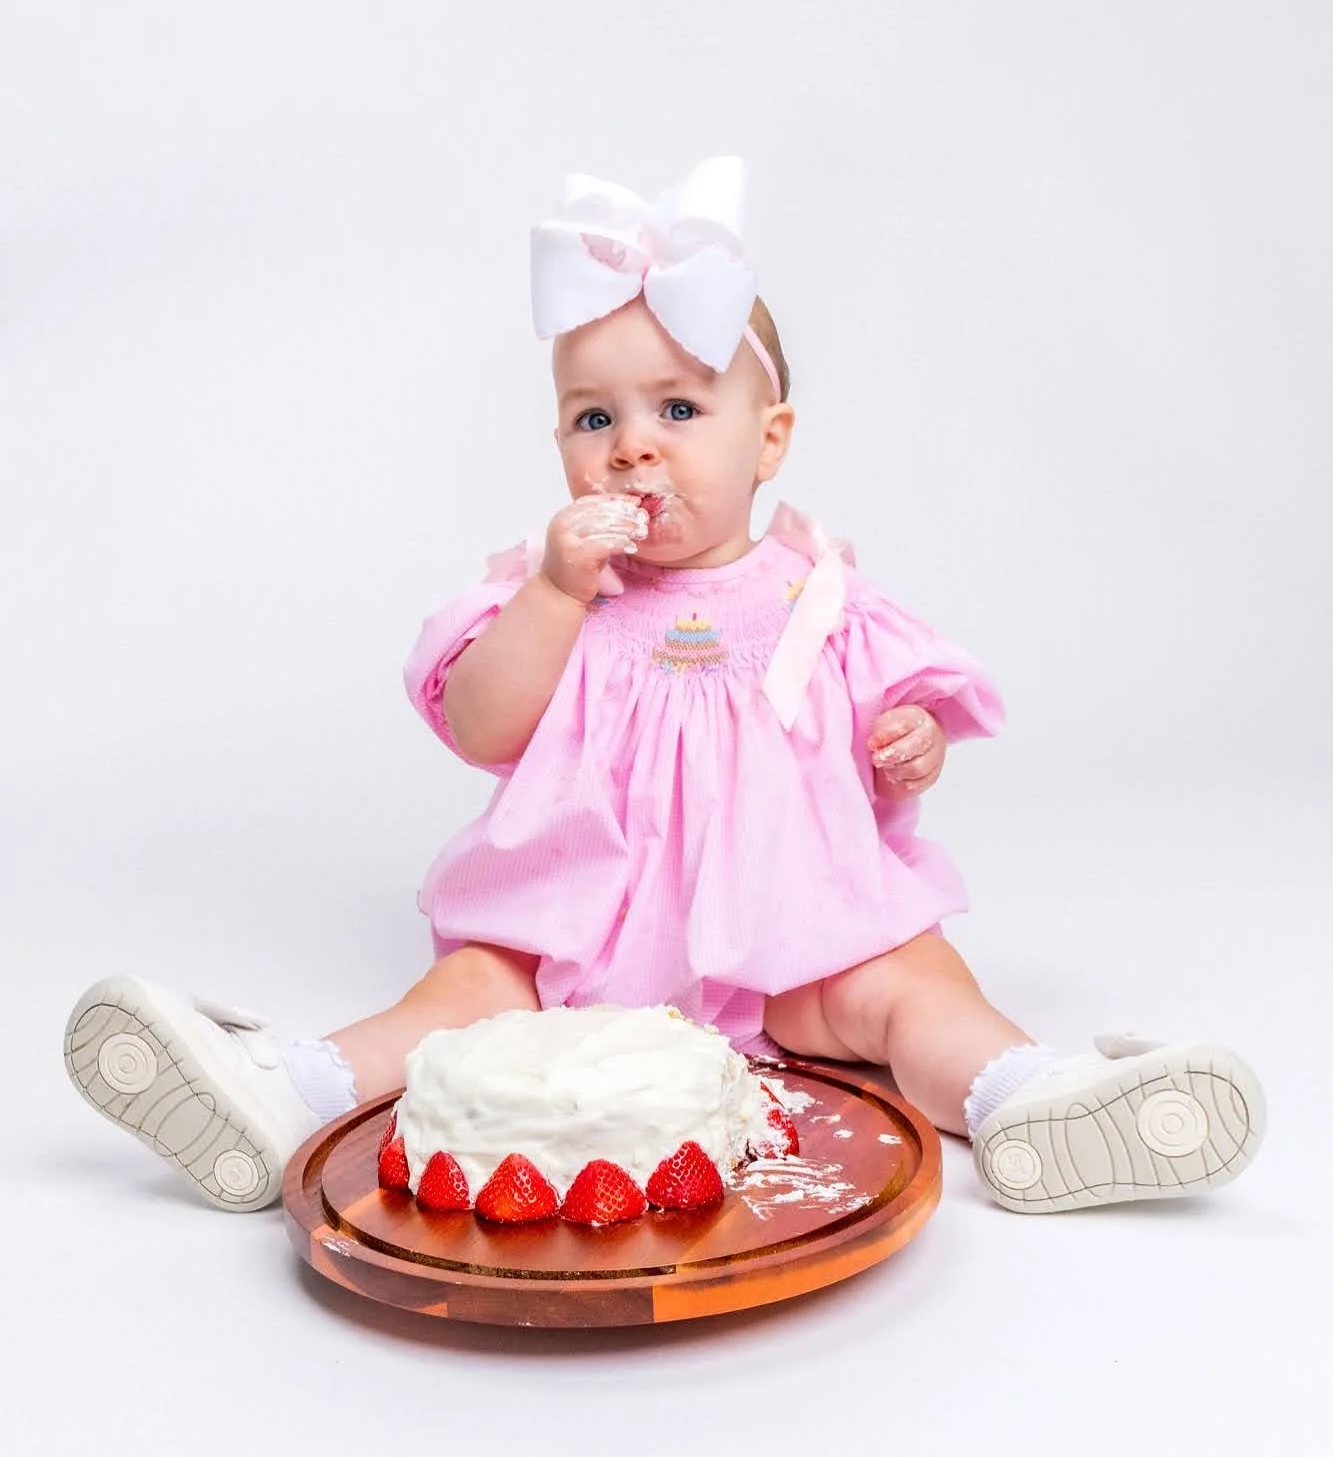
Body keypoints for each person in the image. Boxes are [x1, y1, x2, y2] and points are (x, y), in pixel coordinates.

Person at [64, 157, 1264, 1216]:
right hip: (574, 941)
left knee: (911, 982)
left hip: (785, 944)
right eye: (595, 417)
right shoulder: (551, 593)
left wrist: (906, 739)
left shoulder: (817, 596)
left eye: (678, 409)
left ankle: (1026, 1097)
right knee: (466, 994)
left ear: (770, 440)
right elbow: (485, 725)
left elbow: (885, 720)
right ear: (560, 448)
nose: (632, 444)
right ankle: (285, 1088)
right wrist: (552, 590)